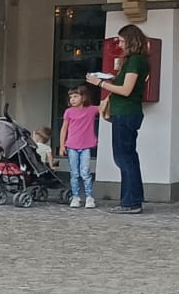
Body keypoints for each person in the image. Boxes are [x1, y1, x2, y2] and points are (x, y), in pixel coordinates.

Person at [90, 25, 149, 213]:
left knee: (124, 158)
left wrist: (101, 83)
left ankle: (130, 202)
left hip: (126, 112)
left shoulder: (135, 61)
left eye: (123, 41)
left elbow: (126, 90)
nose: (120, 45)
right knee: (128, 157)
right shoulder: (139, 60)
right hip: (128, 112)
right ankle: (132, 200)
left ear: (131, 41)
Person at [56, 86, 98, 209]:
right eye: (71, 97)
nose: (72, 99)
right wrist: (62, 145)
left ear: (83, 97)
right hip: (71, 146)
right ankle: (76, 197)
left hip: (86, 146)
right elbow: (64, 129)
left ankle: (89, 197)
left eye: (75, 96)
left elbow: (103, 107)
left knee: (85, 172)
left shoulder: (91, 109)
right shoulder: (69, 112)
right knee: (74, 173)